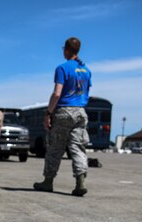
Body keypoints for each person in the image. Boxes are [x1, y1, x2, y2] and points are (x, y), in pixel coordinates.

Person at [34, 37, 92, 197]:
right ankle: (81, 182)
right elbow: (85, 93)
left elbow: (57, 93)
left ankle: (48, 182)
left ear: (66, 49)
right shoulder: (86, 70)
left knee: (55, 148)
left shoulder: (62, 68)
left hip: (64, 111)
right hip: (80, 112)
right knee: (78, 148)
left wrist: (48, 113)